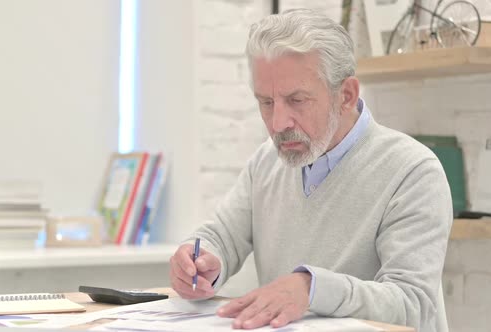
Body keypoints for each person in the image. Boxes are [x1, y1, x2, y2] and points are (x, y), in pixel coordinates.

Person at [169, 8, 452, 332]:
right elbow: (222, 235)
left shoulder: (413, 172)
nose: (278, 123)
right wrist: (202, 259)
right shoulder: (267, 162)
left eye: (297, 100)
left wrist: (312, 289)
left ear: (346, 95)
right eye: (266, 102)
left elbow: (412, 304)